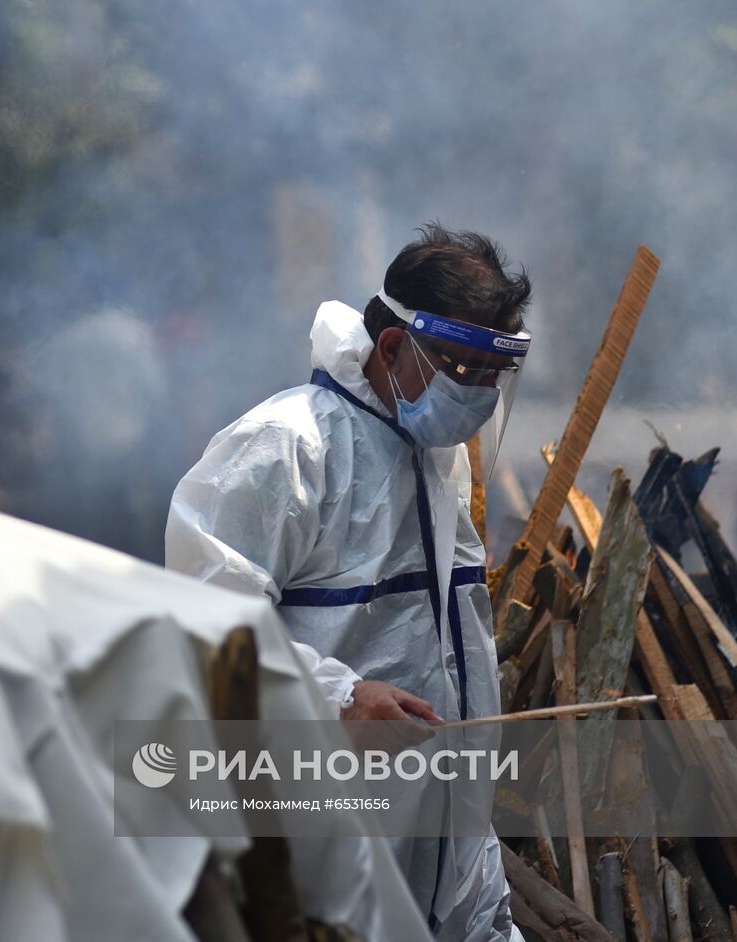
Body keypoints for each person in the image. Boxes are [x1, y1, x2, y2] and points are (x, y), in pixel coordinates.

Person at [166, 224, 532, 941]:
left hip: (445, 862)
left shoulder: (437, 459)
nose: (480, 397)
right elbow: (201, 630)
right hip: (318, 862)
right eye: (464, 372)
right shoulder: (283, 447)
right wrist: (338, 698)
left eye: (493, 378)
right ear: (394, 349)